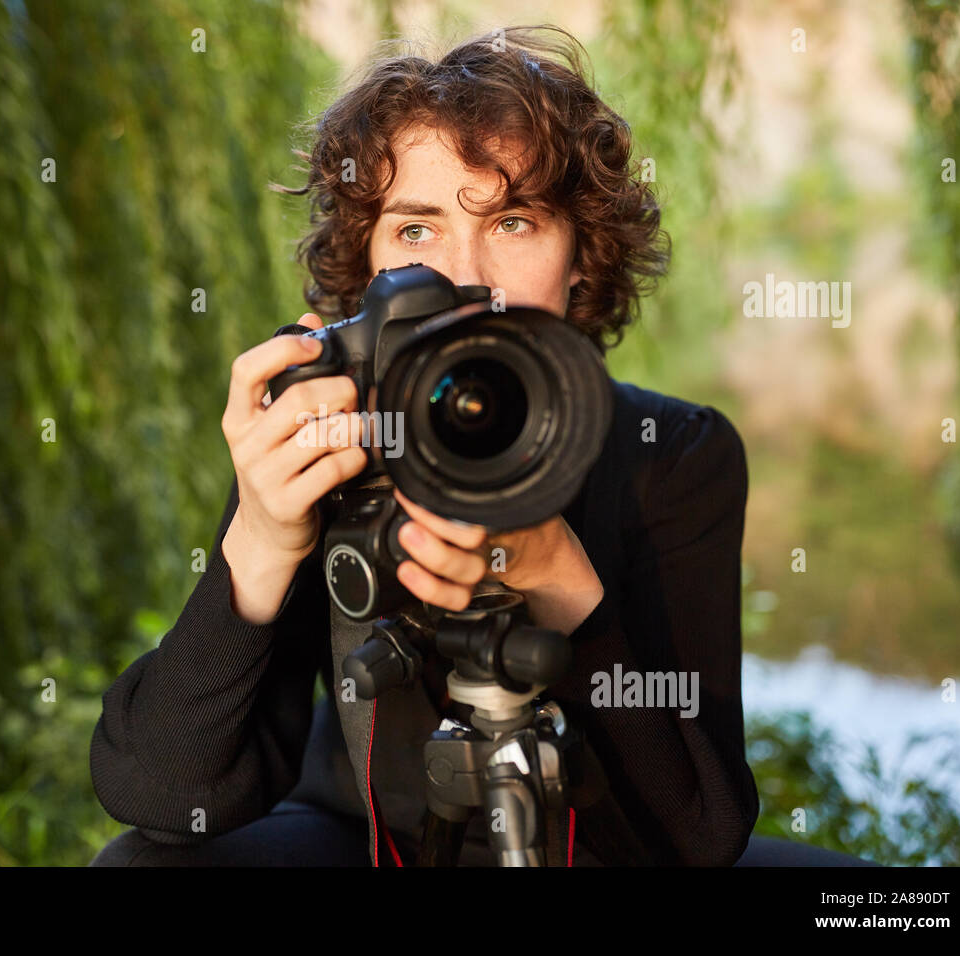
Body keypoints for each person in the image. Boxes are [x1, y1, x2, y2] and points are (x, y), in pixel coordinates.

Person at [89, 25, 867, 867]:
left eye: (514, 221)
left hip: (597, 847)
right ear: (367, 273)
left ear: (581, 259)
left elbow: (698, 837)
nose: (465, 281)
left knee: (878, 907)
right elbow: (163, 797)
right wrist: (264, 539)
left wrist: (555, 576)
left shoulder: (673, 455)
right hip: (365, 834)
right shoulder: (331, 434)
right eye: (415, 232)